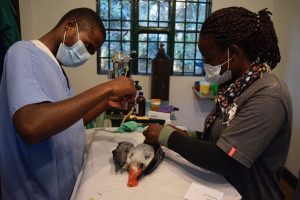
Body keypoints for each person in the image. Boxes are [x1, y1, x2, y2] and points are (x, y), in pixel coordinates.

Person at [143, 7, 292, 200]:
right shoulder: (235, 87)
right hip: (222, 186)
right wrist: (188, 135)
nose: (206, 63)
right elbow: (223, 138)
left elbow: (226, 158)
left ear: (234, 53)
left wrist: (167, 136)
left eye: (209, 58)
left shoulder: (269, 95)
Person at [0, 8, 136, 200]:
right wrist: (108, 88)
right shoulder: (23, 52)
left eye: (91, 52)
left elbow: (71, 124)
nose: (86, 55)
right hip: (34, 191)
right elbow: (31, 124)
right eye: (87, 46)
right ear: (70, 25)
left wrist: (106, 102)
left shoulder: (57, 70)